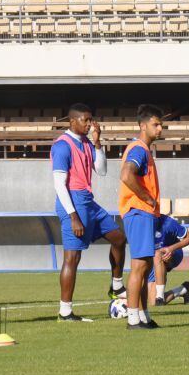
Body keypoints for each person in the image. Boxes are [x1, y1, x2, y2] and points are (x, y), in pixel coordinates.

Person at [51, 103, 128, 322]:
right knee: (72, 257)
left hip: (89, 202)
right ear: (72, 121)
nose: (89, 124)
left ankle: (116, 287)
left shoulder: (86, 142)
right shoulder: (62, 146)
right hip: (73, 203)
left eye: (90, 119)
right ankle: (65, 312)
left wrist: (97, 143)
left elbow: (101, 171)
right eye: (85, 120)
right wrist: (73, 215)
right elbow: (59, 183)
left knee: (119, 239)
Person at [119, 104, 165, 330]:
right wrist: (147, 198)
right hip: (138, 212)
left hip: (144, 213)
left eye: (161, 125)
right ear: (143, 125)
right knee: (139, 265)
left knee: (145, 265)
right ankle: (132, 318)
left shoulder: (144, 150)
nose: (160, 129)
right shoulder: (138, 149)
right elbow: (127, 175)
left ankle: (144, 316)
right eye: (156, 124)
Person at [148, 214, 189, 306]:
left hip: (174, 253)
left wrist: (171, 249)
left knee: (157, 254)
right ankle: (183, 289)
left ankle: (160, 297)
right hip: (153, 260)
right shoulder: (139, 225)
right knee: (152, 302)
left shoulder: (168, 222)